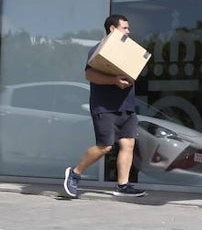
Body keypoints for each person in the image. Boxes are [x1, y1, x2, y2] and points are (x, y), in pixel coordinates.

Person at [62, 14, 147, 198]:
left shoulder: (129, 52)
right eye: (125, 28)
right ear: (112, 29)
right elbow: (90, 76)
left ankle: (122, 186)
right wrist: (114, 80)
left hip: (127, 106)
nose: (128, 31)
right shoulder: (97, 50)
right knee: (105, 146)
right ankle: (75, 173)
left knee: (128, 143)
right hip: (105, 107)